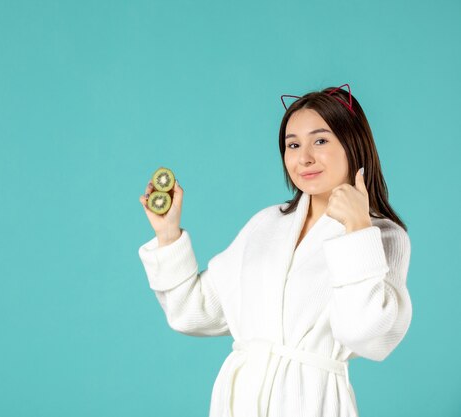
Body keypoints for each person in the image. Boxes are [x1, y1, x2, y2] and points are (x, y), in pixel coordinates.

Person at [136, 84, 412, 417]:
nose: (304, 157)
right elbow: (193, 311)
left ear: (353, 145)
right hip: (238, 404)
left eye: (320, 141)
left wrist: (356, 230)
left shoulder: (381, 236)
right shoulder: (266, 225)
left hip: (312, 403)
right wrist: (168, 235)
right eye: (292, 145)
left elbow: (368, 335)